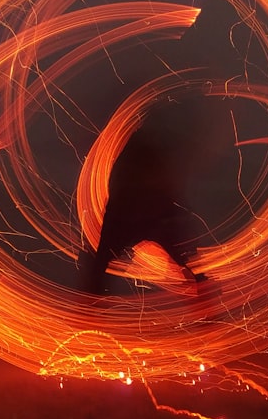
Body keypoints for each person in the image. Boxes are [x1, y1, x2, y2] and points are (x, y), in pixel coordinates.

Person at [80, 126, 212, 297]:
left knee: (99, 265)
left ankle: (88, 309)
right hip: (137, 209)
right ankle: (88, 309)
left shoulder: (152, 147)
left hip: (138, 209)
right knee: (191, 264)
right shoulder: (159, 145)